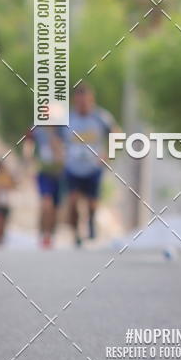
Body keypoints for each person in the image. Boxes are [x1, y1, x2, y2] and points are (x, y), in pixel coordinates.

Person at [64, 84, 119, 247]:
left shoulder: (101, 117)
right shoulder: (68, 118)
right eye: (79, 101)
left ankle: (91, 223)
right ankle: (76, 234)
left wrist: (108, 154)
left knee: (92, 203)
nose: (83, 104)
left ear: (91, 100)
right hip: (72, 167)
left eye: (86, 101)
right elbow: (54, 135)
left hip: (93, 167)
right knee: (73, 201)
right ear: (75, 101)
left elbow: (116, 133)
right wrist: (58, 151)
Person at [23, 125, 66, 248]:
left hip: (59, 172)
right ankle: (45, 235)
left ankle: (51, 233)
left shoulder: (63, 128)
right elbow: (28, 142)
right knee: (46, 203)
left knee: (56, 208)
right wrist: (28, 160)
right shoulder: (37, 128)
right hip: (44, 172)